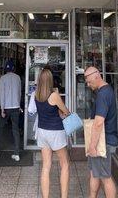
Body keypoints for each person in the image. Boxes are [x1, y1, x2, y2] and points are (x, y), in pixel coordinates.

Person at [84, 66, 118, 198]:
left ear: (97, 75)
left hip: (103, 142)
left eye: (88, 80)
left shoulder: (103, 94)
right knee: (95, 173)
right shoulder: (105, 91)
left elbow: (99, 122)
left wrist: (92, 146)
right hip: (102, 140)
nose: (88, 84)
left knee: (105, 177)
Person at [35, 68, 70, 198]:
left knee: (46, 166)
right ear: (50, 80)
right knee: (65, 164)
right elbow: (65, 111)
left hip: (42, 131)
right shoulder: (54, 95)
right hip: (55, 131)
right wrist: (58, 95)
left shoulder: (36, 95)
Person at [0, 59, 22, 161]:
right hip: (16, 107)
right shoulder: (17, 78)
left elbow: (2, 94)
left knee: (0, 127)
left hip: (6, 107)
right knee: (15, 130)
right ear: (14, 68)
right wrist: (19, 104)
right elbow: (19, 92)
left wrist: (2, 109)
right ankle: (16, 153)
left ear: (5, 69)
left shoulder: (3, 78)